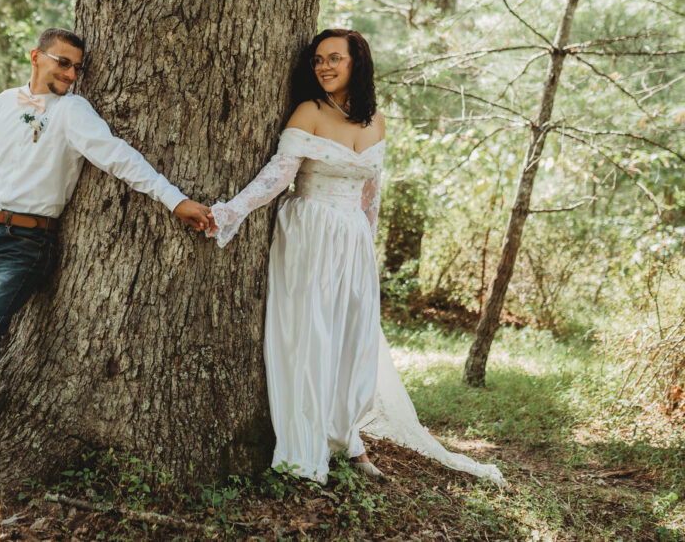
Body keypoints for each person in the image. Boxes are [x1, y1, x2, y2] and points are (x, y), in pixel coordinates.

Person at [0, 27, 210, 464]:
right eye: (64, 62)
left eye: (77, 66)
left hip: (28, 242)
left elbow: (118, 156)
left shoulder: (73, 111)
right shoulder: (4, 102)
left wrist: (175, 200)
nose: (72, 73)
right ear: (36, 57)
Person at [206, 29, 504, 486]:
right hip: (309, 230)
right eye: (318, 60)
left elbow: (371, 193)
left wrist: (368, 246)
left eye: (334, 59)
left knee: (351, 338)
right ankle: (304, 449)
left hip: (353, 239)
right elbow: (277, 176)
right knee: (310, 334)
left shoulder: (376, 121)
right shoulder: (310, 111)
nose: (324, 67)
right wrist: (229, 211)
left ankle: (347, 436)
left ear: (356, 63)